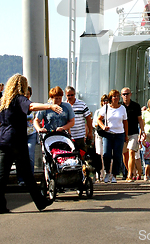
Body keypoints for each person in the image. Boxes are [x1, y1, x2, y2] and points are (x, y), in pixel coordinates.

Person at [0, 73, 63, 213]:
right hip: (16, 140)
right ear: (21, 86)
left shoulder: (4, 102)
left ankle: (1, 205)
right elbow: (32, 106)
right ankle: (41, 202)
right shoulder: (19, 99)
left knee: (2, 175)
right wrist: (50, 107)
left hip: (3, 140)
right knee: (28, 174)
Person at [97, 89, 128, 183]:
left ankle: (114, 175)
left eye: (118, 96)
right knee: (106, 154)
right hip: (108, 134)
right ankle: (107, 172)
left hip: (119, 134)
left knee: (117, 155)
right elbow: (99, 119)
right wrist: (103, 126)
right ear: (111, 98)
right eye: (114, 96)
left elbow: (125, 122)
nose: (116, 98)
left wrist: (126, 135)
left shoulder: (122, 108)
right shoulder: (106, 108)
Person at [121, 87, 144, 182]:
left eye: (127, 93)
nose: (126, 96)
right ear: (121, 96)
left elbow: (140, 119)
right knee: (125, 154)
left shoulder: (136, 106)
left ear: (130, 94)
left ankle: (130, 175)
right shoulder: (120, 106)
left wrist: (142, 131)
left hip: (134, 132)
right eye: (124, 94)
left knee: (131, 152)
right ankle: (131, 171)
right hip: (122, 133)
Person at [17, 86, 38, 186]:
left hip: (31, 134)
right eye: (24, 94)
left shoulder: (33, 106)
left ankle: (30, 178)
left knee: (30, 156)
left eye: (28, 94)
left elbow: (36, 120)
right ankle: (20, 179)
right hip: (19, 135)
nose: (26, 96)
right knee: (20, 157)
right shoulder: (18, 106)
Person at [65, 86, 93, 152]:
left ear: (75, 95)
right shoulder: (64, 106)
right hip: (67, 136)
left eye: (72, 95)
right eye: (68, 95)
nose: (70, 97)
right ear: (65, 95)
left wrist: (90, 132)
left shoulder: (82, 104)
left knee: (81, 154)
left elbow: (88, 118)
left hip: (80, 135)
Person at [92, 94, 109, 182]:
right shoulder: (98, 112)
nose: (105, 102)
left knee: (108, 154)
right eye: (104, 100)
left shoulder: (111, 111)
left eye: (107, 100)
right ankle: (100, 174)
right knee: (99, 153)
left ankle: (108, 173)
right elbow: (94, 123)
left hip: (108, 135)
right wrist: (101, 126)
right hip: (99, 134)